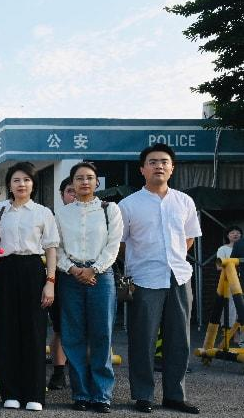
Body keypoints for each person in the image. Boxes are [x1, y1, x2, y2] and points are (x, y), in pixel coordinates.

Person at [119, 145, 201, 415]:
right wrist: (141, 261)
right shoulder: (128, 205)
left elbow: (189, 238)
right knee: (143, 339)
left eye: (164, 162)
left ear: (172, 168)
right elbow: (120, 244)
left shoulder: (184, 201)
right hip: (144, 279)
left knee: (179, 339)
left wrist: (172, 259)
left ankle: (175, 396)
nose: (159, 166)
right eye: (152, 162)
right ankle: (143, 395)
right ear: (142, 169)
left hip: (179, 276)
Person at [0, 161, 59, 411]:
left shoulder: (43, 212)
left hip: (33, 270)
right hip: (4, 271)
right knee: (6, 332)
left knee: (34, 333)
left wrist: (50, 282)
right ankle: (11, 392)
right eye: (16, 180)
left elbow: (51, 248)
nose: (21, 184)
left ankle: (34, 393)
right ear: (9, 184)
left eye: (26, 180)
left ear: (33, 184)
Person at [55, 163, 123, 413]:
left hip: (101, 276)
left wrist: (94, 269)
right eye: (79, 178)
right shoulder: (62, 214)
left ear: (97, 183)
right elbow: (56, 247)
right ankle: (81, 394)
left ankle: (102, 395)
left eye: (90, 178)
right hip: (70, 276)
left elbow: (114, 245)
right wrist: (73, 270)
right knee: (73, 336)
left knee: (101, 335)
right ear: (72, 183)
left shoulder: (109, 209)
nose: (84, 182)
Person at [48, 177, 76, 391]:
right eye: (69, 191)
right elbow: (52, 250)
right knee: (60, 327)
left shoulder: (99, 215)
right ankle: (58, 372)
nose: (74, 194)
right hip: (60, 276)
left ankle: (82, 373)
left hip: (91, 277)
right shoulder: (54, 219)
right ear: (62, 195)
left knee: (87, 330)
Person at [216, 226, 243, 345]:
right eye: (232, 233)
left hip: (242, 281)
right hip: (230, 282)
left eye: (238, 233)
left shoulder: (242, 248)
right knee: (232, 308)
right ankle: (234, 335)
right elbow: (218, 266)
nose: (235, 234)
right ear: (227, 236)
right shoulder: (223, 249)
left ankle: (240, 336)